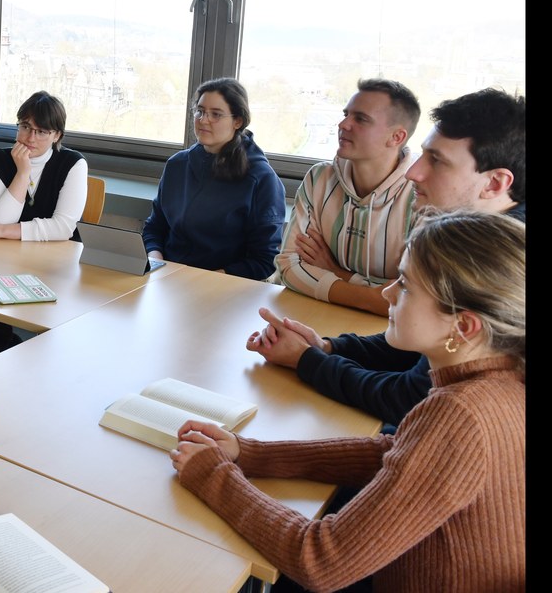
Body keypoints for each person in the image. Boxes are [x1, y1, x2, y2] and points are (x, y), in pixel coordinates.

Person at [173, 210, 525, 592]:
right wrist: (251, 453)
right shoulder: (500, 379)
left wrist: (212, 475)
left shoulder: (460, 414)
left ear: (463, 326)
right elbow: (394, 450)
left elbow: (321, 561)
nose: (387, 292)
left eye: (405, 286)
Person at [248, 88, 525, 427]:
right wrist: (328, 347)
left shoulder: (495, 263)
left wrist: (308, 360)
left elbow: (408, 398)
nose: (413, 173)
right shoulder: (478, 235)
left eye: (437, 161)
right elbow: (415, 350)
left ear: (495, 183)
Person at [274, 79, 421, 317]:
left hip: (386, 337)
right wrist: (372, 298)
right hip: (313, 316)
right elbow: (289, 266)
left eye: (360, 119)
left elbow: (414, 296)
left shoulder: (421, 193)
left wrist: (339, 274)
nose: (343, 124)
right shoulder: (320, 177)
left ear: (397, 137)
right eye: (346, 114)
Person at [0, 91, 88, 358]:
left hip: (58, 263)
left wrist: (2, 232)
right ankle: (2, 350)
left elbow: (63, 228)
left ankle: (32, 354)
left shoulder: (73, 164)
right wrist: (22, 172)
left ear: (57, 135)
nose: (30, 138)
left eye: (41, 131)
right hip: (6, 259)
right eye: (25, 127)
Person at [142, 77, 284, 281]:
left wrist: (205, 280)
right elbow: (155, 227)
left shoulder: (262, 179)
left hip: (224, 287)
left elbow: (264, 259)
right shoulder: (177, 164)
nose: (203, 119)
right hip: (167, 278)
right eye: (199, 111)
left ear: (238, 121)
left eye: (215, 114)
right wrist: (155, 262)